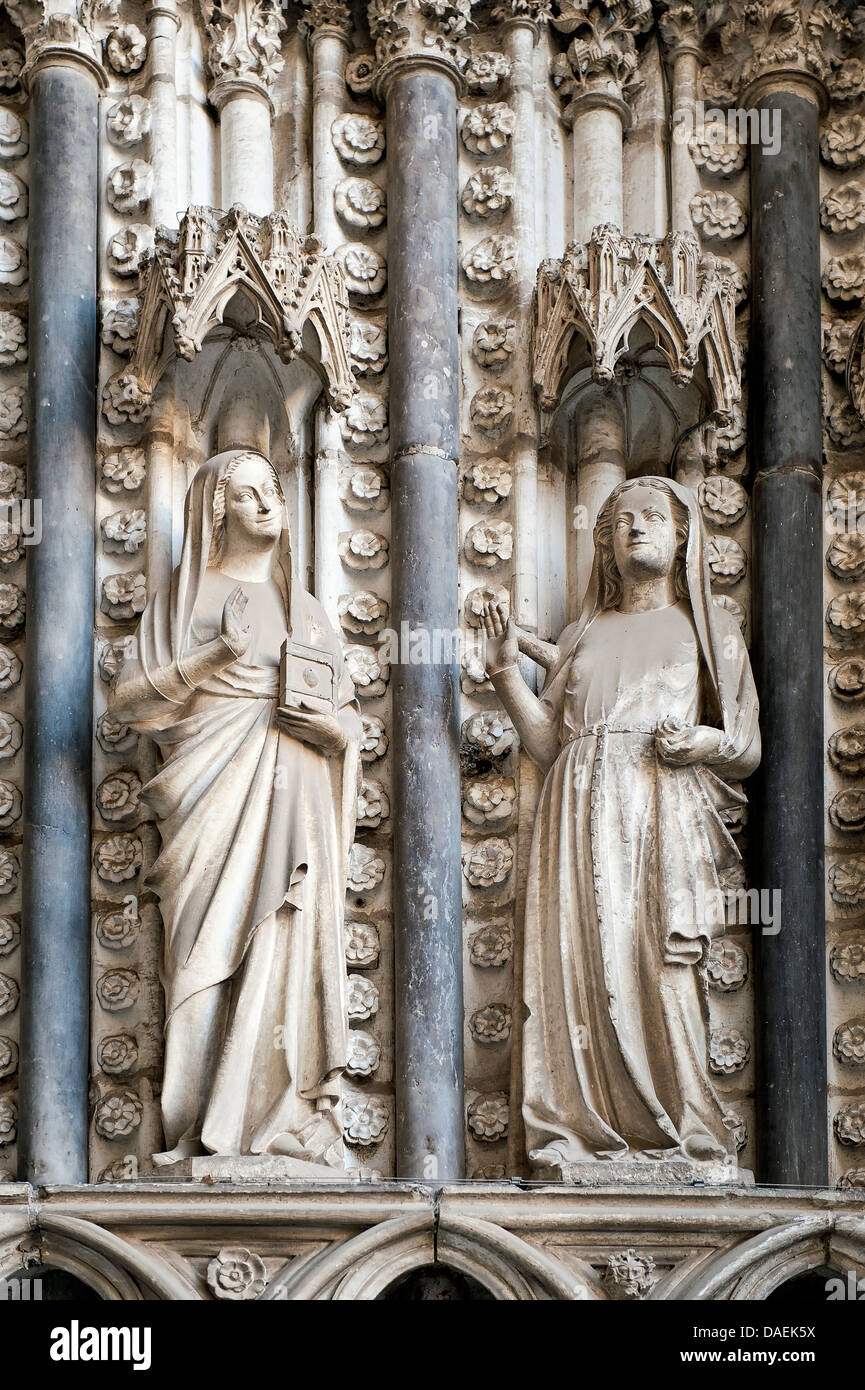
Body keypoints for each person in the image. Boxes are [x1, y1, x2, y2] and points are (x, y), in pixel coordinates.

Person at [481, 476, 760, 1169]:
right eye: (617, 522)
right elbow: (546, 742)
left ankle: (685, 1130)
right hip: (574, 806)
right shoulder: (584, 633)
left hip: (657, 805)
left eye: (650, 518)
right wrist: (502, 674)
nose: (633, 530)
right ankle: (576, 1128)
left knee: (654, 963)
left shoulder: (706, 628)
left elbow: (747, 748)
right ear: (602, 544)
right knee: (574, 961)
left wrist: (706, 743)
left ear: (683, 535)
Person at [110, 449, 361, 1166]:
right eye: (246, 494)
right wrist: (215, 657)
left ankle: (281, 1115)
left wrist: (333, 732)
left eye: (272, 490)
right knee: (203, 955)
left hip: (299, 796)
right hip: (213, 797)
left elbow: (347, 721)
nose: (265, 504)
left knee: (287, 936)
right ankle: (205, 1125)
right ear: (215, 511)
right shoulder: (190, 597)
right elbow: (128, 703)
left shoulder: (307, 612)